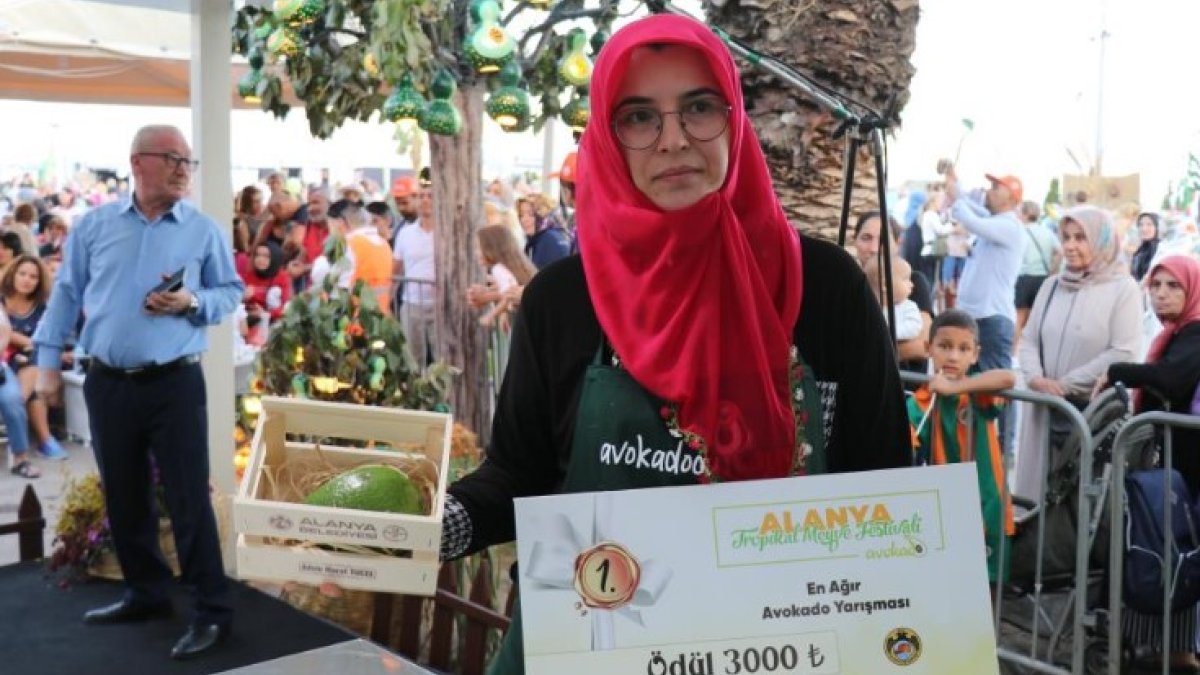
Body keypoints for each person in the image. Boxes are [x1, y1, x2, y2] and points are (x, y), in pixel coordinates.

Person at [440, 16, 911, 674]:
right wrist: (428, 527)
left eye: (699, 107)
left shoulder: (826, 288)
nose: (673, 139)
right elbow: (517, 474)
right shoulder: (562, 300)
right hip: (594, 648)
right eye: (638, 117)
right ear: (607, 139)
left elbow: (887, 493)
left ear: (735, 119)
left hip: (778, 649)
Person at [33, 124, 243, 661]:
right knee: (125, 495)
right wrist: (47, 363)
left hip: (174, 382)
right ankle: (146, 593)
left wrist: (192, 302)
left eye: (187, 161)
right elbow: (67, 295)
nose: (182, 170)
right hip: (108, 383)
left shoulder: (202, 230)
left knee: (189, 499)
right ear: (137, 162)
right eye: (172, 158)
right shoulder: (94, 226)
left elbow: (229, 292)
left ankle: (212, 611)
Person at [1095, 254, 1200, 673]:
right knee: (1168, 551)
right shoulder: (1177, 333)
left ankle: (1181, 653)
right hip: (1177, 467)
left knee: (1180, 552)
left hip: (1188, 469)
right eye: (1155, 286)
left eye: (1173, 286)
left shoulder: (1195, 332)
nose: (1161, 295)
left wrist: (1119, 370)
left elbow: (1172, 379)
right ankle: (1172, 650)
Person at [1013, 206, 1141, 501]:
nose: (1070, 246)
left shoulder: (1123, 290)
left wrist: (1065, 385)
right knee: (1035, 495)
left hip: (1088, 413)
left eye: (1081, 238)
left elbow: (1123, 352)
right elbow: (1029, 339)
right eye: (1066, 237)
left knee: (1077, 503)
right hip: (1043, 407)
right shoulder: (1051, 286)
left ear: (1101, 240)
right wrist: (1036, 379)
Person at [907, 310, 1016, 584]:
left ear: (975, 354)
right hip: (948, 508)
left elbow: (1008, 379)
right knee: (952, 584)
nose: (953, 356)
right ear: (928, 348)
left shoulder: (977, 393)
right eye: (944, 346)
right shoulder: (922, 400)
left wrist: (955, 388)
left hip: (988, 504)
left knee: (989, 587)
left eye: (963, 348)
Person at [945, 169, 1024, 371]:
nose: (989, 191)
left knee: (992, 386)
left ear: (1011, 198)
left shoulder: (1011, 227)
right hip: (979, 318)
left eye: (996, 188)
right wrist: (955, 184)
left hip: (992, 320)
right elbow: (972, 207)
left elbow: (972, 220)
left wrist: (956, 199)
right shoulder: (997, 222)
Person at [1, 255, 67, 461]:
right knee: (36, 368)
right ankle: (44, 439)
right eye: (22, 274)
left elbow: (48, 337)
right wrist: (26, 342)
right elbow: (4, 332)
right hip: (4, 360)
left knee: (37, 360)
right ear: (13, 274)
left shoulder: (42, 308)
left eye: (33, 277)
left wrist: (30, 347)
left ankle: (14, 409)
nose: (27, 280)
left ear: (40, 281)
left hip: (29, 365)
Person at [853, 211, 934, 374]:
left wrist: (864, 354)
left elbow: (922, 347)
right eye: (866, 238)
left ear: (898, 243)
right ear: (854, 241)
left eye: (883, 240)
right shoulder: (849, 284)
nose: (874, 248)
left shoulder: (912, 282)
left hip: (901, 382)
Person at [392, 186, 437, 366]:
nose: (425, 200)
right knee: (413, 360)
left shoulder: (449, 232)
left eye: (430, 196)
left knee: (442, 358)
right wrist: (387, 303)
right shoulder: (405, 233)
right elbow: (395, 269)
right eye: (421, 196)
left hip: (440, 306)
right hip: (412, 304)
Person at [1013, 200, 1061, 352]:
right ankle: (1035, 351)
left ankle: (1013, 351)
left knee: (1019, 316)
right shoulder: (1047, 232)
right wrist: (1053, 270)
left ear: (1025, 214)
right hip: (1042, 277)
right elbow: (1059, 251)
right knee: (1038, 317)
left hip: (1023, 276)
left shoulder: (1019, 232)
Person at [472, 225, 536, 329]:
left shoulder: (498, 269)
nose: (476, 253)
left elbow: (508, 295)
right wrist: (504, 312)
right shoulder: (510, 269)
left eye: (478, 248)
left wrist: (491, 315)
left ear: (490, 249)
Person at [238, 242, 291, 345]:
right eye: (258, 255)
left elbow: (286, 308)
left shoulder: (282, 278)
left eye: (266, 256)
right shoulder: (248, 277)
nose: (260, 259)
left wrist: (266, 314)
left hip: (274, 325)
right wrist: (243, 298)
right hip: (249, 323)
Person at [517, 193, 571, 269]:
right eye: (521, 215)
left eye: (531, 214)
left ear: (542, 214)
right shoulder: (541, 238)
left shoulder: (549, 239)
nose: (524, 220)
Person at [1129, 211, 1161, 282]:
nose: (1144, 229)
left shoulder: (1160, 250)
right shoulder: (1141, 249)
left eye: (1149, 224)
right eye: (1140, 225)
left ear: (1157, 228)